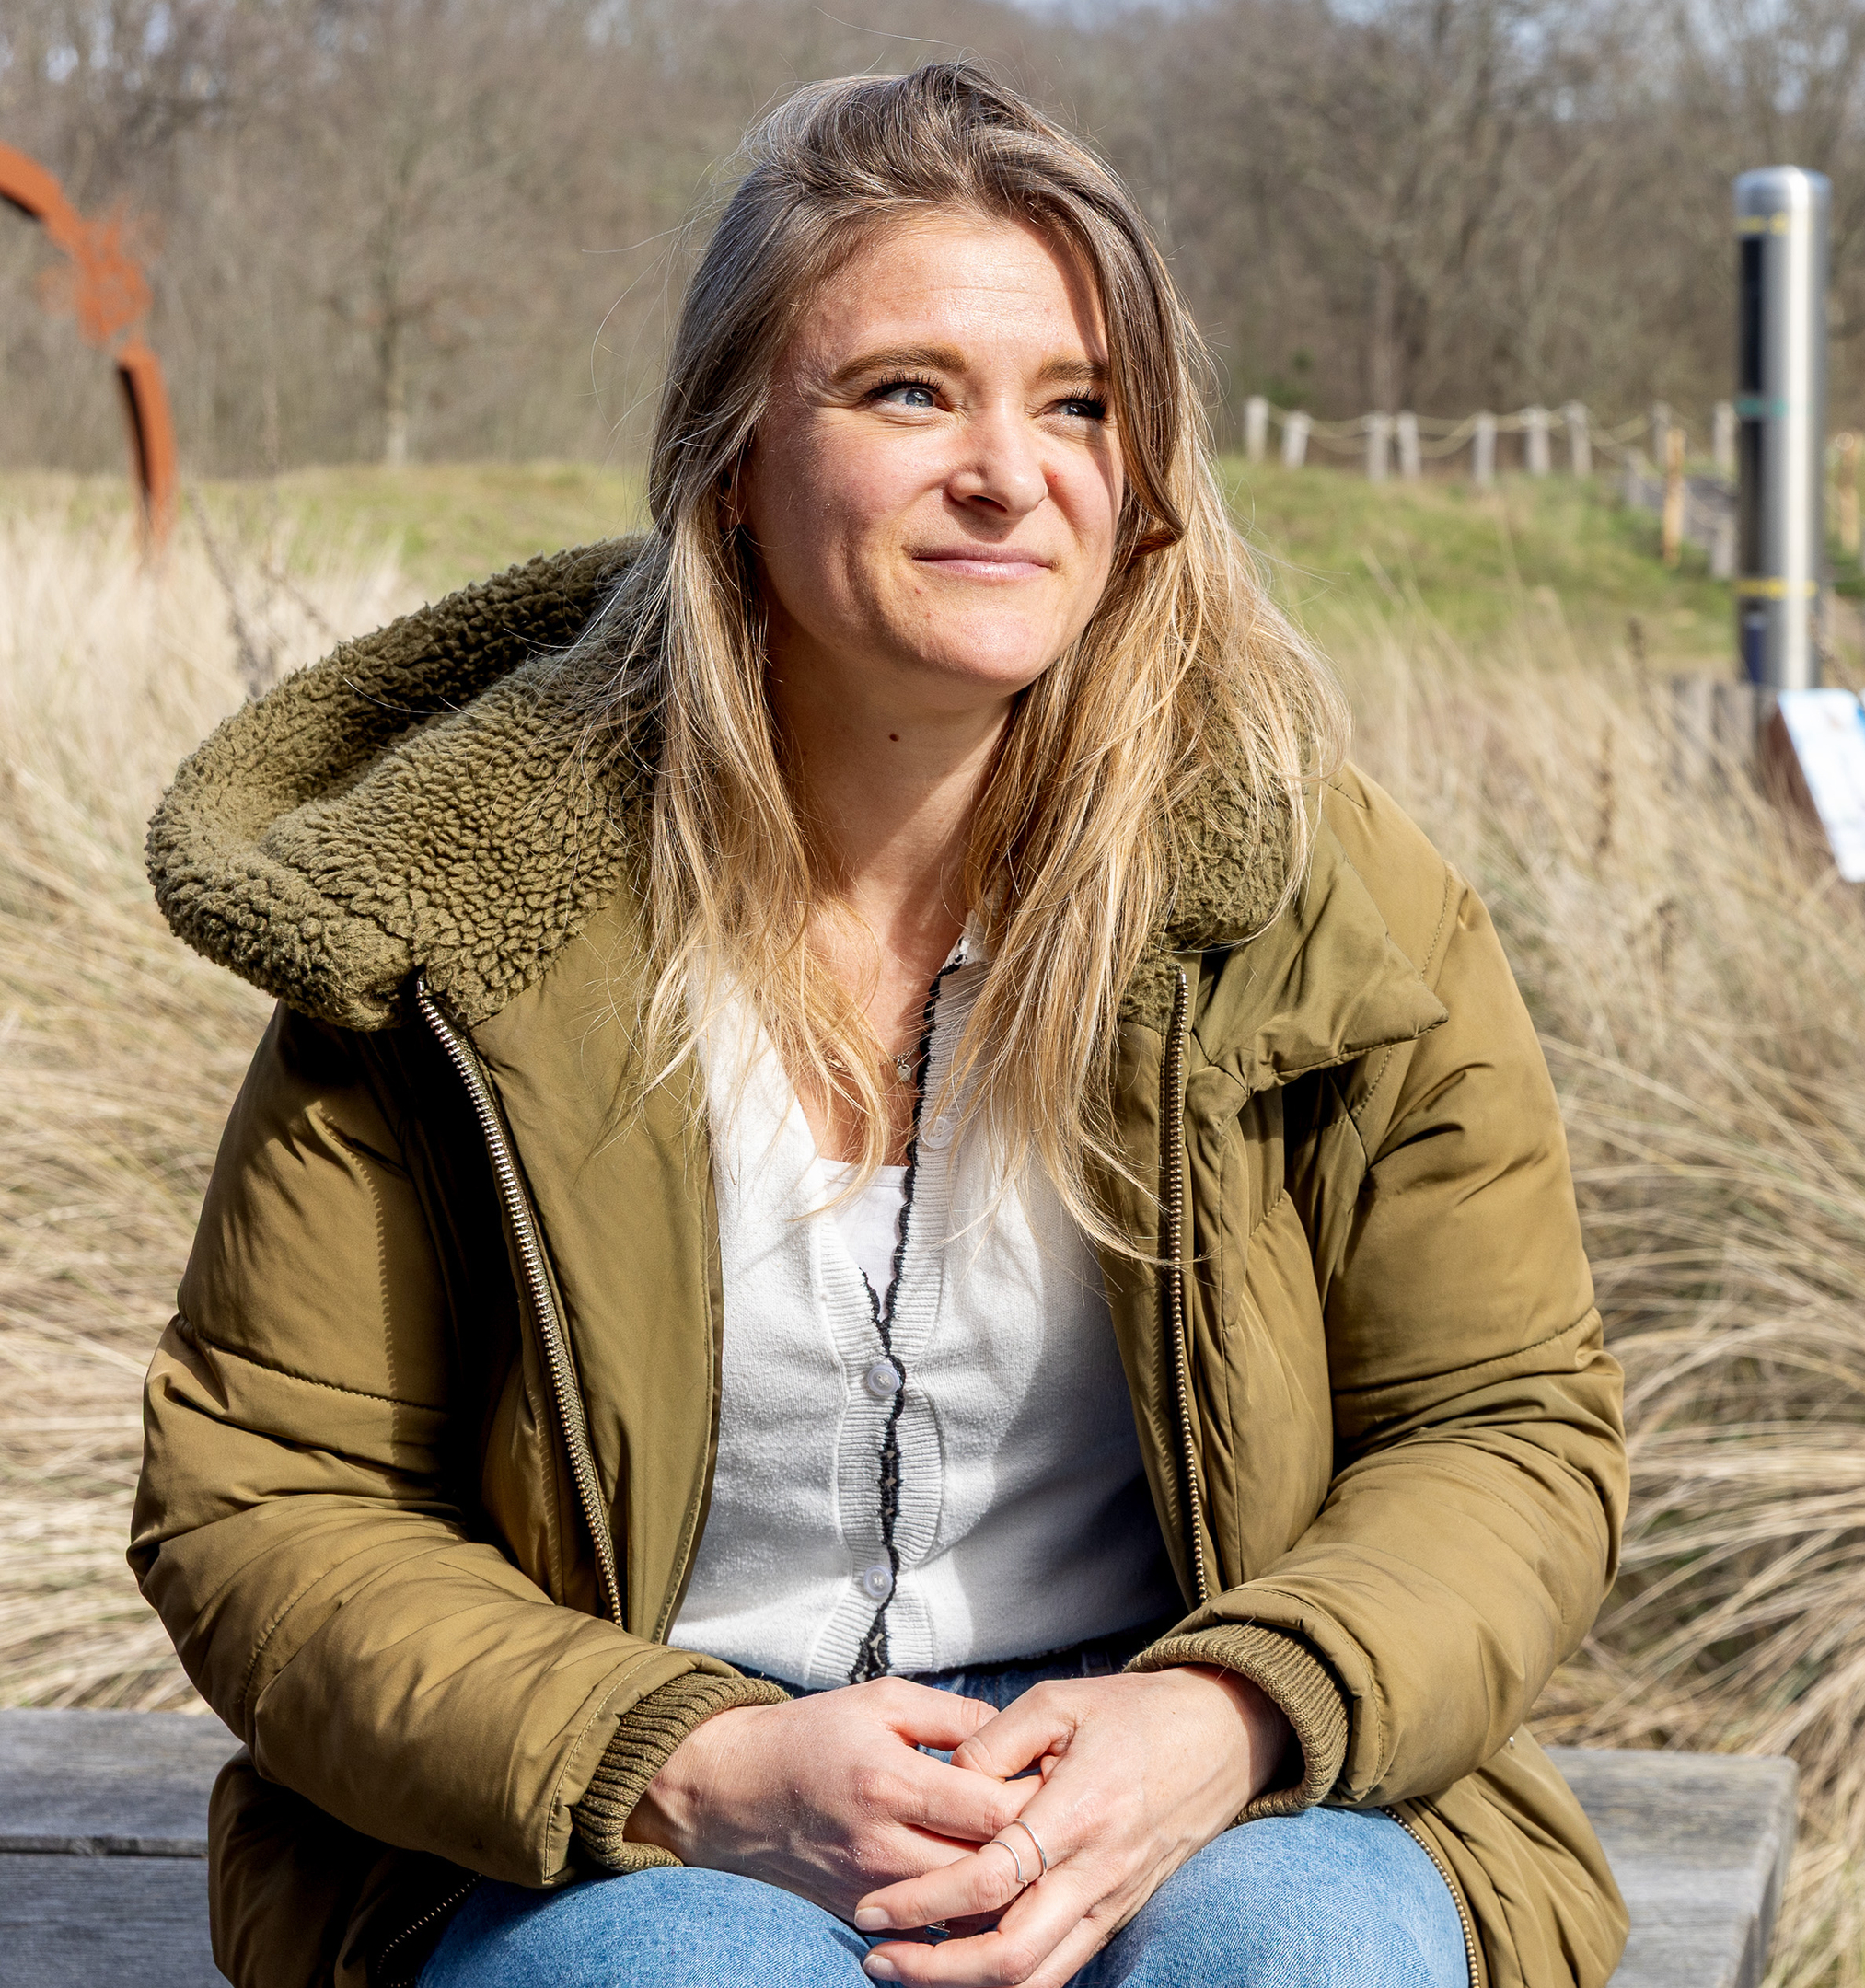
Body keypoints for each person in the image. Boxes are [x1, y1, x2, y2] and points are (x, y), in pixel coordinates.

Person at [130, 64, 1625, 1988]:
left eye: (1080, 404)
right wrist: (697, 1764)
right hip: (623, 1800)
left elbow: (1503, 1427)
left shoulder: (1323, 904)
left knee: (1312, 1955)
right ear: (732, 453)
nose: (1013, 473)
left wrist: (1233, 1714)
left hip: (1189, 1766)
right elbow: (270, 1498)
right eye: (910, 389)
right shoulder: (458, 919)